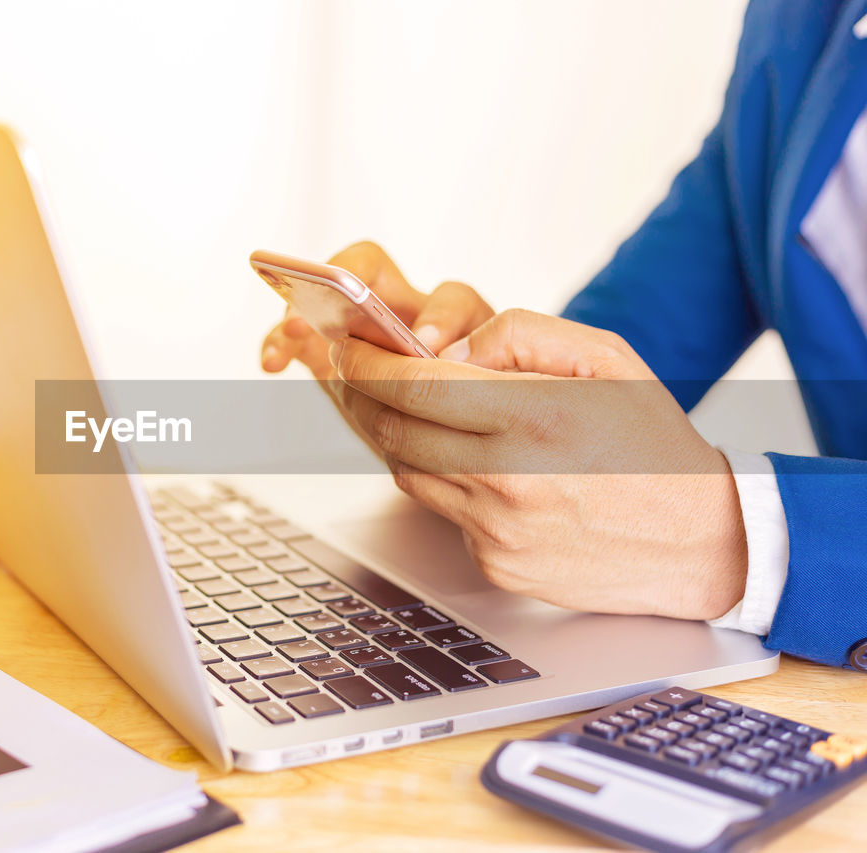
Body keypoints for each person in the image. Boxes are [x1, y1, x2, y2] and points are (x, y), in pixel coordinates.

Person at [261, 0, 867, 671]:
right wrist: (465, 392)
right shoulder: (801, 24)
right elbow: (602, 382)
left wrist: (729, 535)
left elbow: (674, 509)